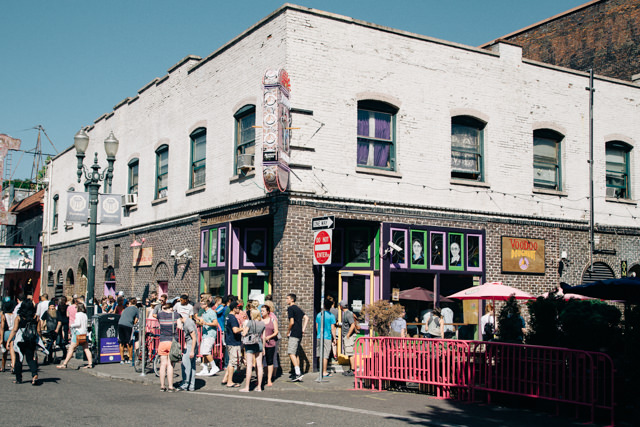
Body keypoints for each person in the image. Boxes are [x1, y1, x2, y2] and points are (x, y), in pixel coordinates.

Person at [8, 299, 42, 384]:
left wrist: (9, 340)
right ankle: (34, 374)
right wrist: (39, 340)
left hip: (20, 340)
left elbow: (14, 330)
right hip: (31, 340)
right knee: (30, 358)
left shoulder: (19, 317)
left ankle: (19, 379)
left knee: (19, 359)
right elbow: (39, 331)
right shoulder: (36, 317)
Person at [57, 302, 93, 370]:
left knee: (71, 348)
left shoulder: (78, 314)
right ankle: (90, 363)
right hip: (84, 333)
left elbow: (78, 324)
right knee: (86, 348)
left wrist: (72, 325)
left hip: (78, 333)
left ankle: (64, 364)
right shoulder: (85, 315)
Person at [239, 309, 265, 392]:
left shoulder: (250, 322)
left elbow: (244, 333)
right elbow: (263, 337)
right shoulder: (262, 323)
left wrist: (243, 327)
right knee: (259, 365)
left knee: (249, 365)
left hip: (250, 344)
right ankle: (260, 387)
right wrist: (263, 347)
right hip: (259, 343)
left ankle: (247, 387)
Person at [156, 301, 179, 392]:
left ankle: (162, 385)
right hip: (172, 341)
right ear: (171, 308)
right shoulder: (176, 315)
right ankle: (170, 386)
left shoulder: (160, 315)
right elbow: (180, 326)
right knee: (170, 365)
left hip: (162, 341)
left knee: (162, 365)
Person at [286, 293, 308, 382]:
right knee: (296, 353)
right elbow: (306, 318)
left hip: (294, 333)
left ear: (292, 299)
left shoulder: (290, 308)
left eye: (287, 298)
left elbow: (291, 322)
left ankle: (298, 373)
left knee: (291, 353)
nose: (286, 300)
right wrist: (303, 329)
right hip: (299, 333)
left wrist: (288, 332)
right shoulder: (298, 309)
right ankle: (297, 372)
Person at [196, 300, 220, 377]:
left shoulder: (211, 312)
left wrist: (206, 323)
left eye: (202, 304)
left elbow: (215, 323)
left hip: (210, 334)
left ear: (206, 304)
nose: (200, 305)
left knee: (206, 352)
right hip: (205, 334)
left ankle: (214, 367)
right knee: (203, 352)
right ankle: (205, 369)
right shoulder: (204, 313)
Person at [222, 301, 243, 388]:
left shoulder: (228, 317)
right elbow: (235, 330)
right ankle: (230, 382)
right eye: (238, 308)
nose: (240, 309)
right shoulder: (233, 318)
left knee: (231, 360)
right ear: (234, 309)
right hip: (234, 342)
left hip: (229, 341)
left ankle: (225, 379)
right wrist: (243, 328)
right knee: (233, 362)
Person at [315, 299, 336, 377]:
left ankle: (320, 370)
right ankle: (324, 371)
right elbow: (333, 328)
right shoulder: (331, 316)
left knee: (320, 354)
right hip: (327, 337)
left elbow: (317, 326)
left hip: (319, 336)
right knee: (325, 355)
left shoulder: (319, 315)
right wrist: (334, 338)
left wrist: (319, 334)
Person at [177, 313, 197, 391]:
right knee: (192, 366)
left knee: (185, 365)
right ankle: (191, 385)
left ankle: (185, 384)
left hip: (191, 346)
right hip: (191, 345)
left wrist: (192, 351)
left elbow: (194, 337)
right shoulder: (188, 322)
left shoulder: (187, 324)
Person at [340, 300, 359, 376]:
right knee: (349, 353)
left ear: (341, 306)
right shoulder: (347, 313)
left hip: (349, 337)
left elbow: (352, 325)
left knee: (350, 353)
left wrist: (348, 335)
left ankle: (353, 370)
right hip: (347, 336)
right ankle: (351, 369)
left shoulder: (348, 314)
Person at [118, 298, 139, 364]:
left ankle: (122, 359)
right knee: (129, 342)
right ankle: (130, 358)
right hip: (128, 325)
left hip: (120, 324)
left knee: (121, 342)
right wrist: (133, 323)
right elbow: (136, 320)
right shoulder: (136, 309)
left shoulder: (126, 309)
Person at [261, 304, 278, 386]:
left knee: (270, 361)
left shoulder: (272, 320)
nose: (262, 312)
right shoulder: (260, 320)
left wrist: (269, 337)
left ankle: (269, 379)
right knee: (260, 362)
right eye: (261, 311)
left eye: (263, 311)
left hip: (270, 343)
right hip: (261, 344)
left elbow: (276, 332)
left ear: (268, 312)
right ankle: (262, 377)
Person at [1, 299, 17, 373]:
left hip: (6, 333)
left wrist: (1, 338)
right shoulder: (15, 315)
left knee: (4, 351)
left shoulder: (4, 315)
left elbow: (2, 327)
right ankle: (13, 366)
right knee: (12, 350)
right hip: (13, 332)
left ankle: (3, 366)